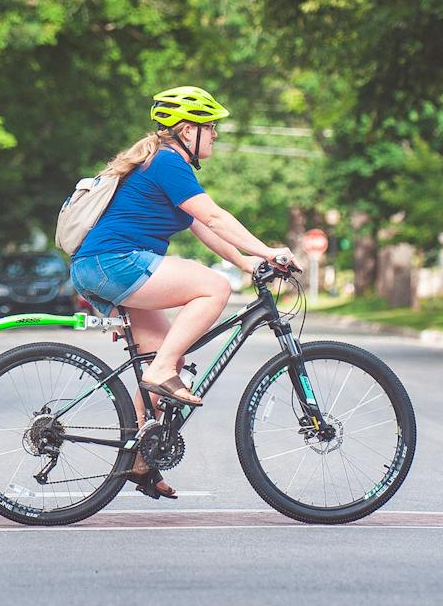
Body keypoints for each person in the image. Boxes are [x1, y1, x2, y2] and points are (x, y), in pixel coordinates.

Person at [71, 86, 296, 498]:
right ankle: (161, 372)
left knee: (162, 360)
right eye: (210, 127)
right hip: (114, 263)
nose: (214, 135)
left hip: (103, 266)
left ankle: (139, 459)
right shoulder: (169, 163)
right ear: (186, 129)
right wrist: (268, 249)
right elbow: (213, 214)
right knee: (213, 287)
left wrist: (250, 264)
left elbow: (202, 226)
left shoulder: (161, 164)